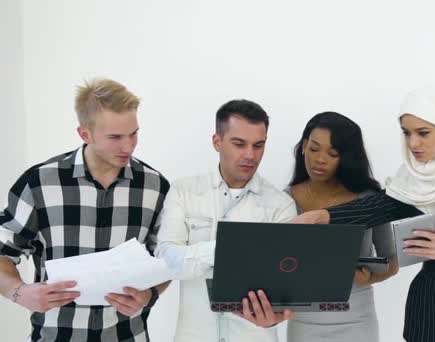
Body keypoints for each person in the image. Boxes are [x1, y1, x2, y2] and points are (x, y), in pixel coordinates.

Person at [292, 87, 435, 342]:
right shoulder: (414, 177)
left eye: (423, 133)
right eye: (406, 133)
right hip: (428, 314)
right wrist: (322, 216)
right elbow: (376, 207)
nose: (413, 143)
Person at [0, 78, 171, 341]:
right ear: (84, 134)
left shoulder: (155, 187)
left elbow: (167, 259)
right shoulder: (39, 184)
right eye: (115, 137)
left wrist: (150, 294)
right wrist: (20, 292)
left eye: (134, 133)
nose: (129, 146)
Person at [155, 99, 297, 342]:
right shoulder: (184, 191)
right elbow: (167, 260)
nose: (250, 155)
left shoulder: (281, 206)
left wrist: (275, 317)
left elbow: (289, 284)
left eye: (259, 145)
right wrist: (228, 249)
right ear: (217, 141)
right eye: (239, 144)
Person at [285, 111, 398, 342]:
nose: (319, 159)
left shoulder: (369, 200)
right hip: (303, 324)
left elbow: (392, 262)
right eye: (314, 148)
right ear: (303, 146)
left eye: (332, 153)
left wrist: (370, 279)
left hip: (357, 321)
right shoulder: (285, 200)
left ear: (346, 157)